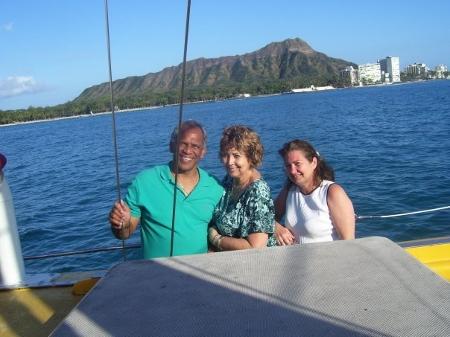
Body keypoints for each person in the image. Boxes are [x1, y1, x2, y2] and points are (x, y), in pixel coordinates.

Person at [109, 120, 223, 259]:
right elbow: (124, 234)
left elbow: (218, 232)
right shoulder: (145, 182)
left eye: (195, 146)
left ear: (203, 152)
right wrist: (120, 224)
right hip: (155, 275)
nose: (187, 150)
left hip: (198, 274)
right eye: (182, 143)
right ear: (171, 146)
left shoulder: (215, 187)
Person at [208, 125, 276, 251]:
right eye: (225, 155)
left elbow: (256, 247)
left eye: (236, 156)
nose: (229, 162)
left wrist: (216, 239)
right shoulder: (230, 180)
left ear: (251, 157)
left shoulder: (258, 191)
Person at [274, 139, 355, 245]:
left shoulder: (333, 192)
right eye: (288, 166)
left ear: (314, 163)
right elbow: (268, 216)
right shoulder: (289, 191)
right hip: (295, 259)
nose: (292, 171)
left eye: (297, 164)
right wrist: (276, 227)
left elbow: (349, 242)